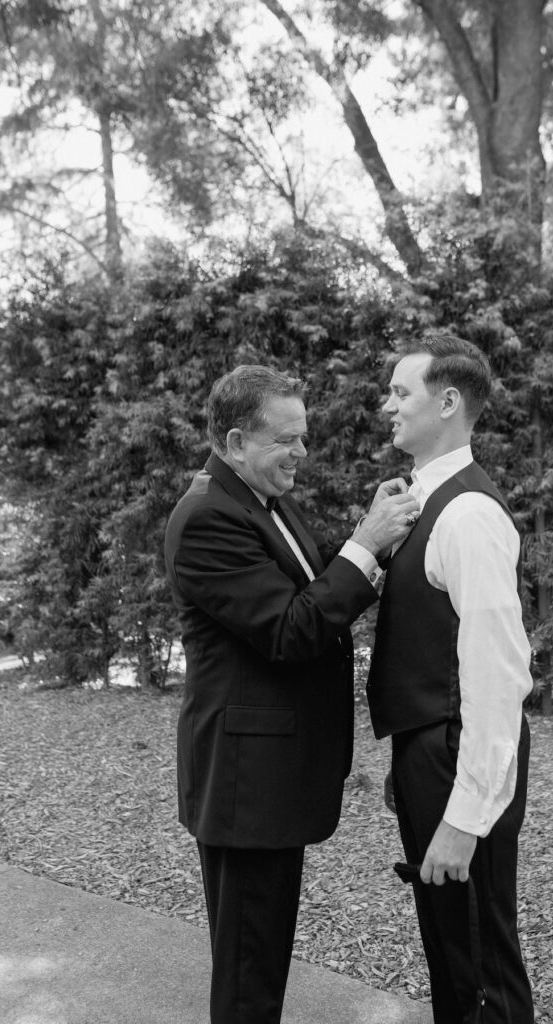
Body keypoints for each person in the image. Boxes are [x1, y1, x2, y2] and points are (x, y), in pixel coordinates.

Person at [164, 364, 419, 1024]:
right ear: (235, 440)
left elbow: (306, 587)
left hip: (271, 778)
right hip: (247, 785)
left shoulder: (259, 500)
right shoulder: (206, 520)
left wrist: (372, 531)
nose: (301, 454)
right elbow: (290, 628)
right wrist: (365, 546)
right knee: (250, 973)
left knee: (260, 955)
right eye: (287, 440)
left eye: (303, 438)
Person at [366, 334, 534, 1024]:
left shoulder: (466, 514)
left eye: (400, 393)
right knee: (449, 950)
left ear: (448, 401)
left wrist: (465, 818)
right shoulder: (420, 502)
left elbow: (496, 677)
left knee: (478, 965)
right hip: (429, 753)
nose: (387, 407)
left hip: (458, 756)